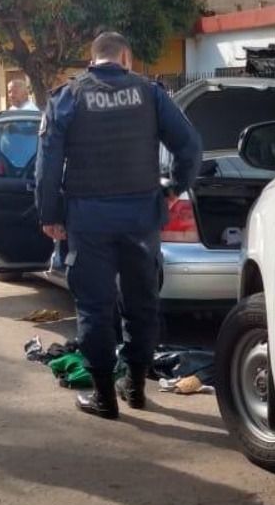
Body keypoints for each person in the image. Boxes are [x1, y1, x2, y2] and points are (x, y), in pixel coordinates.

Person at [36, 31, 201, 419]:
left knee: (94, 307)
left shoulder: (69, 97)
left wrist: (50, 215)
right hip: (141, 219)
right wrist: (175, 188)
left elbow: (47, 164)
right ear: (125, 56)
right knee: (142, 305)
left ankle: (103, 397)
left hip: (88, 220)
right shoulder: (151, 94)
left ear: (93, 59)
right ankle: (136, 387)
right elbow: (190, 145)